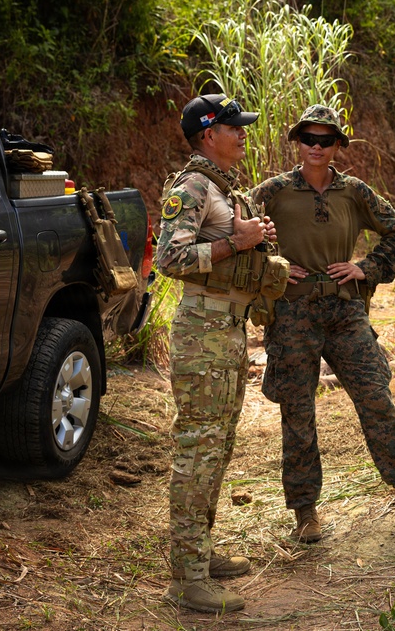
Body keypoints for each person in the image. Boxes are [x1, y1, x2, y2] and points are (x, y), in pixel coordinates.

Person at [250, 104, 395, 544]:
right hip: (292, 315)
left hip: (345, 311)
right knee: (298, 411)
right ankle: (305, 511)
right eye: (308, 139)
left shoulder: (354, 192)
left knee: (376, 399)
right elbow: (235, 233)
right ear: (297, 143)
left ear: (338, 145)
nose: (316, 147)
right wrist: (270, 267)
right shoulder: (272, 192)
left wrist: (365, 268)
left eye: (325, 140)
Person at [156, 92, 277, 612]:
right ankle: (186, 578)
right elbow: (169, 258)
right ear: (209, 135)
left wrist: (256, 240)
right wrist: (237, 243)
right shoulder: (193, 186)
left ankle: (199, 556)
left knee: (218, 445)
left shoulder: (222, 187)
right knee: (199, 448)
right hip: (202, 332)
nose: (243, 134)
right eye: (234, 127)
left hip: (225, 330)